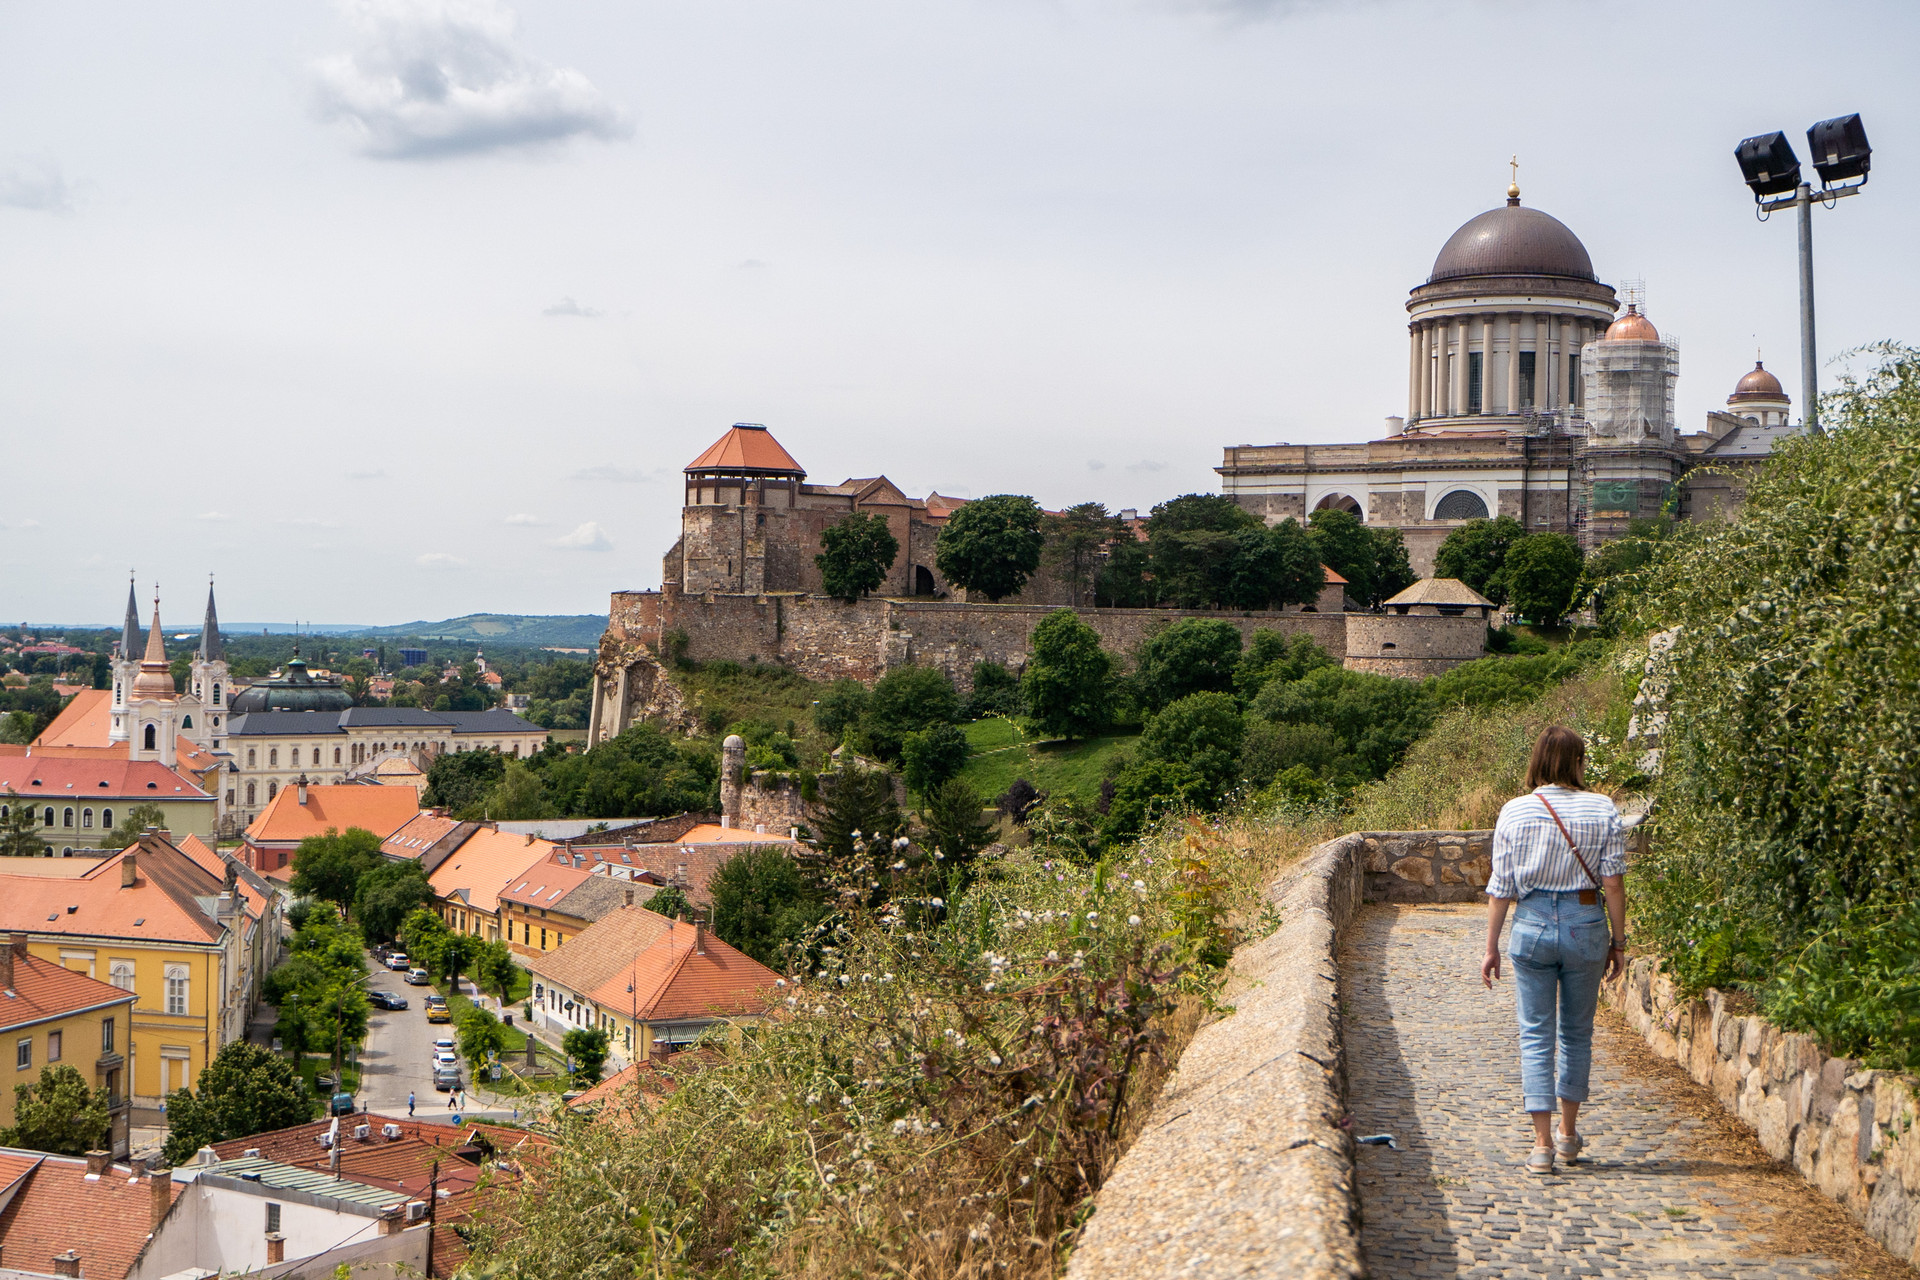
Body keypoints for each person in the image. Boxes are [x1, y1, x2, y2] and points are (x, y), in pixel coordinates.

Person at [1481, 725, 1627, 1175]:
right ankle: (1568, 1135)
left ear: (1537, 761)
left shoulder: (1514, 811)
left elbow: (1501, 889)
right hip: (1586, 923)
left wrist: (1491, 948)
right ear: (1579, 760)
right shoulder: (1603, 807)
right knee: (1577, 1034)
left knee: (1535, 1034)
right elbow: (1614, 883)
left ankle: (1540, 1145)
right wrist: (1619, 942)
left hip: (1532, 923)